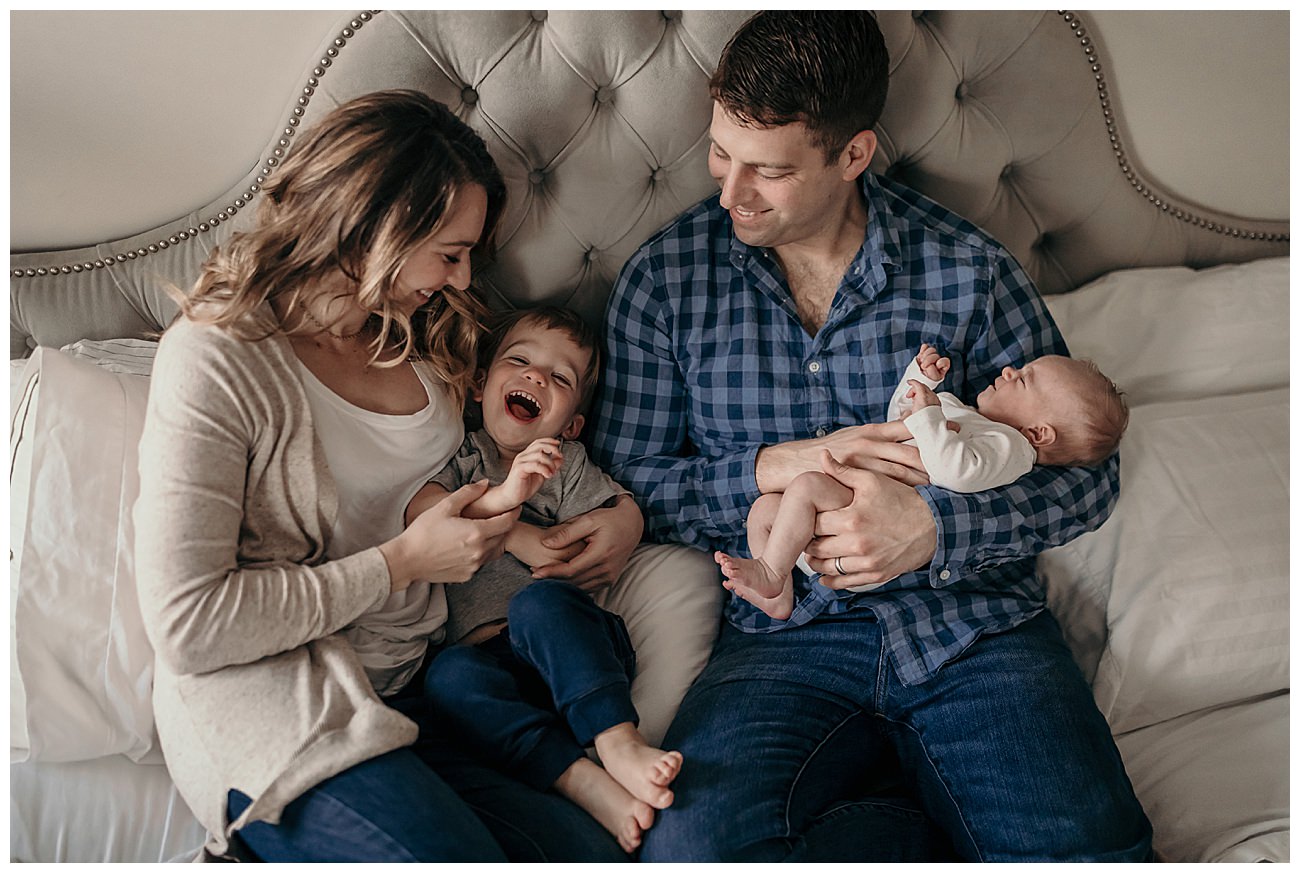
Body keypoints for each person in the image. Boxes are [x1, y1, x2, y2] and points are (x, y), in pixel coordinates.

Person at [590, 11, 1154, 862]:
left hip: (973, 627)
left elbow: (1086, 475)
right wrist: (773, 466)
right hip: (785, 639)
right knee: (692, 848)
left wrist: (937, 527)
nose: (730, 193)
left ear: (852, 154)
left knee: (1084, 849)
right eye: (720, 154)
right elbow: (626, 482)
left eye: (769, 171)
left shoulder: (969, 270)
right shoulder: (667, 284)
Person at [134, 90, 626, 862]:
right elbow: (190, 624)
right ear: (376, 227)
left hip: (415, 685)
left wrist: (611, 516)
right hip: (276, 699)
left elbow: (497, 453)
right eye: (450, 252)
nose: (464, 279)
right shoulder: (218, 358)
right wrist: (402, 563)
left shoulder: (422, 332)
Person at [405, 306, 683, 853]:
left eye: (560, 378)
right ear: (480, 385)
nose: (536, 377)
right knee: (448, 679)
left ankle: (618, 742)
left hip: (570, 650)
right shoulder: (463, 455)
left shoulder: (565, 463)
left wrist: (622, 515)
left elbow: (603, 528)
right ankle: (582, 781)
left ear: (572, 423)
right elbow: (422, 509)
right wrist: (508, 505)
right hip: (488, 662)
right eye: (521, 360)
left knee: (540, 605)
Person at [716, 343, 1130, 620]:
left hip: (870, 521)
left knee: (804, 486)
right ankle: (781, 588)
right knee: (764, 508)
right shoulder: (971, 417)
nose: (1007, 369)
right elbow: (903, 421)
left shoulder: (1010, 447)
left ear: (1038, 434)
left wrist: (930, 413)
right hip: (844, 508)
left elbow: (956, 471)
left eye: (1022, 378)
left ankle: (771, 570)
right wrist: (921, 382)